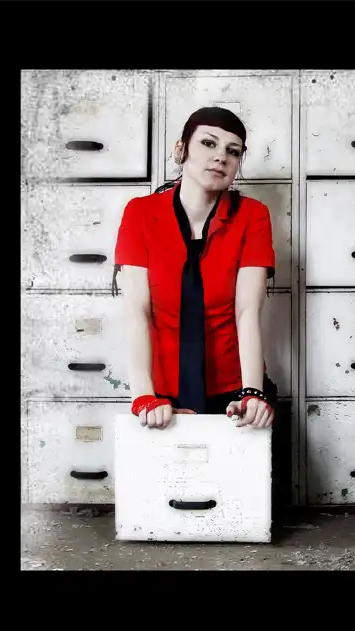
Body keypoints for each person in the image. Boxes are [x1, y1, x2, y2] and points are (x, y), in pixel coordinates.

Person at [112, 106, 278, 430]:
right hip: (161, 395)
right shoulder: (140, 213)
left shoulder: (252, 216)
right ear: (181, 148)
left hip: (235, 388)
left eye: (233, 151)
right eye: (208, 143)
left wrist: (252, 393)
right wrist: (144, 396)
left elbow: (247, 311)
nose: (220, 157)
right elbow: (137, 311)